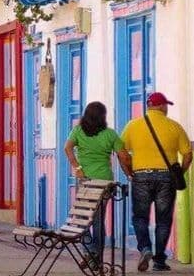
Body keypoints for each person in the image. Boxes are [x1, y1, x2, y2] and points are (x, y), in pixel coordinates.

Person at [121, 92, 192, 272]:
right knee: (163, 220)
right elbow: (188, 155)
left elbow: (122, 154)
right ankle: (159, 260)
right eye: (166, 105)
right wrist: (179, 172)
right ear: (161, 106)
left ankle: (145, 248)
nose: (166, 108)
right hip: (166, 178)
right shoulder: (174, 126)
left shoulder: (132, 126)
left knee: (140, 217)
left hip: (141, 176)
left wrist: (129, 172)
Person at [64, 101, 132, 265]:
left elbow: (67, 148)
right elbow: (123, 156)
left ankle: (89, 252)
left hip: (86, 181)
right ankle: (96, 257)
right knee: (98, 220)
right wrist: (129, 172)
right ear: (103, 116)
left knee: (81, 218)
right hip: (104, 181)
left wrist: (77, 167)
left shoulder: (78, 131)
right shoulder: (110, 134)